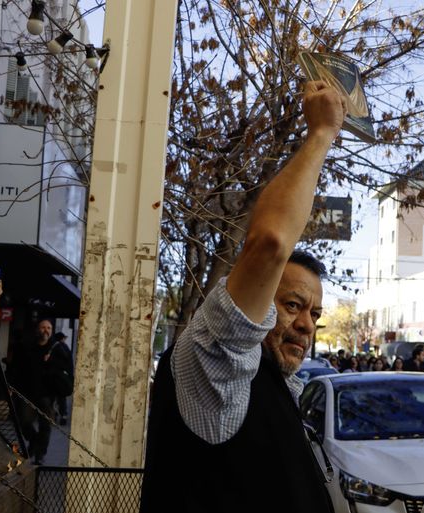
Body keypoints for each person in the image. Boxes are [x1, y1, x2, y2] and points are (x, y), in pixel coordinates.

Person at [140, 81, 345, 513]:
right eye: (293, 305)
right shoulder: (216, 371)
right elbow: (269, 241)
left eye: (314, 313)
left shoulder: (274, 382)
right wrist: (322, 133)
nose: (308, 325)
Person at [6, 319, 71, 464]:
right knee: (24, 421)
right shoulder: (28, 347)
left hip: (47, 394)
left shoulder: (58, 348)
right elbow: (18, 367)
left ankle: (40, 454)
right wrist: (12, 385)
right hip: (28, 392)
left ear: (52, 330)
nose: (46, 330)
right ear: (37, 330)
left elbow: (65, 368)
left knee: (45, 425)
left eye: (48, 327)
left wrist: (51, 362)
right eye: (43, 327)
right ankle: (34, 441)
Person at [51, 332, 73, 425]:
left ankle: (54, 415)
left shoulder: (53, 347)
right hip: (62, 377)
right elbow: (69, 363)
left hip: (53, 376)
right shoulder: (65, 347)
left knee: (53, 397)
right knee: (61, 398)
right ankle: (63, 416)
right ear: (62, 338)